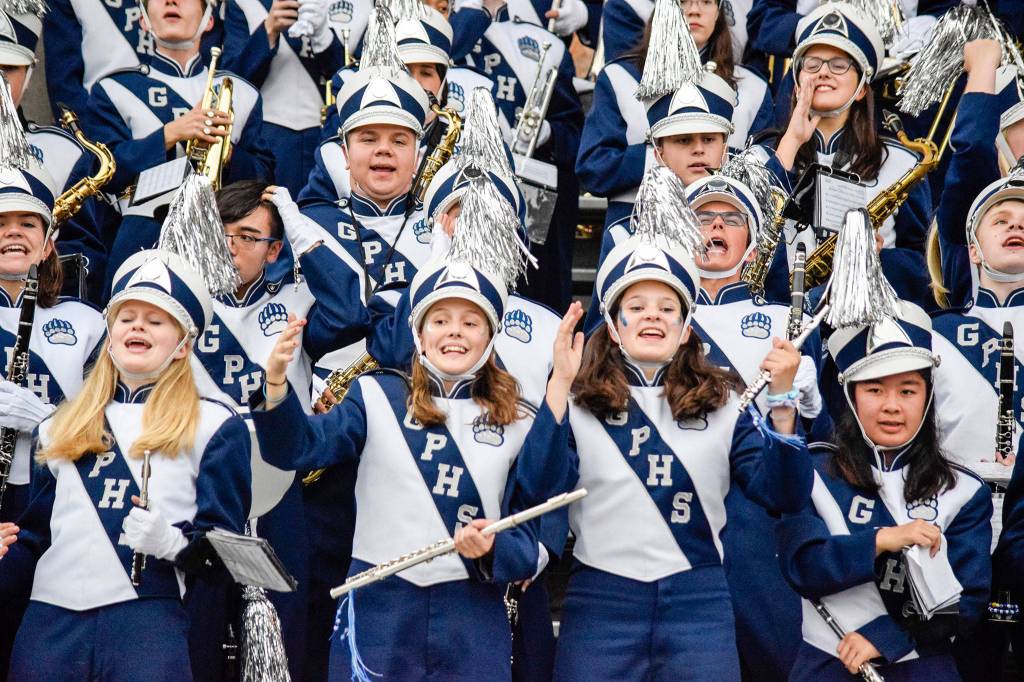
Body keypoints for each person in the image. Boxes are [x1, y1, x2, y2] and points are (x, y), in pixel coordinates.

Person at [249, 184, 584, 678]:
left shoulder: (518, 417)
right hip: (379, 608)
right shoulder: (371, 398)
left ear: (490, 339)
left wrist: (494, 550)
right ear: (418, 334)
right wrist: (276, 385)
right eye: (439, 320)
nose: (454, 331)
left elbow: (539, 512)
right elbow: (296, 447)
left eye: (471, 323)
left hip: (472, 610)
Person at [550, 223, 812, 678]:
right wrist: (558, 385)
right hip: (601, 602)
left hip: (699, 604)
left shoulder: (726, 402)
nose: (653, 317)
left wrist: (783, 403)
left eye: (667, 308)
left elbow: (783, 494)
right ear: (613, 327)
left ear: (686, 327)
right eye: (636, 306)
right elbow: (538, 484)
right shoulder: (575, 402)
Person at [0, 249, 251, 680]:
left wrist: (174, 545)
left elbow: (230, 556)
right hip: (49, 623)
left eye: (155, 321)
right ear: (110, 336)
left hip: (146, 623)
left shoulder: (214, 424)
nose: (137, 326)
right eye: (126, 317)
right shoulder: (60, 424)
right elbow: (36, 540)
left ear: (182, 345)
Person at [184, 180, 365, 680]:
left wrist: (302, 229)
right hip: (195, 480)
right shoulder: (180, 294)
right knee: (198, 625)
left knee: (281, 634)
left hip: (277, 485)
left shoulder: (298, 300)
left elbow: (352, 313)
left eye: (248, 235)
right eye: (221, 232)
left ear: (274, 250)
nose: (231, 245)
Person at [776, 301, 992, 681]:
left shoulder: (963, 489)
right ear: (852, 397)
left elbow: (969, 599)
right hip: (825, 666)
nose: (892, 406)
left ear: (927, 397)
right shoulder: (813, 472)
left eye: (908, 391)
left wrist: (886, 638)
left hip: (923, 667)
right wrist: (883, 540)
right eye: (875, 390)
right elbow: (802, 566)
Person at [0, 160, 107, 680]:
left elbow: (112, 419)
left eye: (26, 223)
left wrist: (45, 418)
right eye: (0, 223)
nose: (12, 233)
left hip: (54, 499)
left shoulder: (87, 322)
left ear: (47, 244)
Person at [85, 0, 273, 290]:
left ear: (209, 21)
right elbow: (102, 173)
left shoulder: (244, 93)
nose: (171, 1)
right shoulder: (113, 90)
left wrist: (227, 152)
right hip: (140, 244)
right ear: (144, 21)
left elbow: (265, 180)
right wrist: (170, 134)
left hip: (222, 247)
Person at [758, 2, 933, 310]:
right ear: (797, 82)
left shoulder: (903, 163)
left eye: (839, 64)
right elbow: (753, 230)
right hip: (777, 313)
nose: (824, 72)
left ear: (863, 88)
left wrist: (882, 259)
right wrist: (792, 141)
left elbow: (921, 263)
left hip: (868, 314)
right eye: (812, 64)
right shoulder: (761, 155)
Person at [576, 0, 774, 235]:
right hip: (637, 233)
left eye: (706, 2)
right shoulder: (619, 77)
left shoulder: (753, 87)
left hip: (723, 238)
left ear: (719, 12)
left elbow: (767, 169)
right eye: (682, 2)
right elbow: (593, 167)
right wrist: (667, 161)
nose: (694, 10)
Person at [463, 0, 583, 310]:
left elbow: (573, 132)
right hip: (463, 185)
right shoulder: (445, 29)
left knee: (538, 294)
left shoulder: (547, 46)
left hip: (531, 187)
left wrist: (548, 133)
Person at [0, 3, 110, 301]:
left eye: (8, 69)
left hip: (43, 310)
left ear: (31, 71)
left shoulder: (65, 150)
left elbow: (85, 252)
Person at [222, 0, 344, 195]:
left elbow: (352, 81)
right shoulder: (244, 3)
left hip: (326, 135)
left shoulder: (358, 6)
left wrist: (324, 37)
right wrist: (269, 30)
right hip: (267, 137)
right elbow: (230, 85)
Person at [42, 0, 223, 120]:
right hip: (107, 128)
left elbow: (208, 66)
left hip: (195, 120)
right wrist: (97, 149)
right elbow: (64, 85)